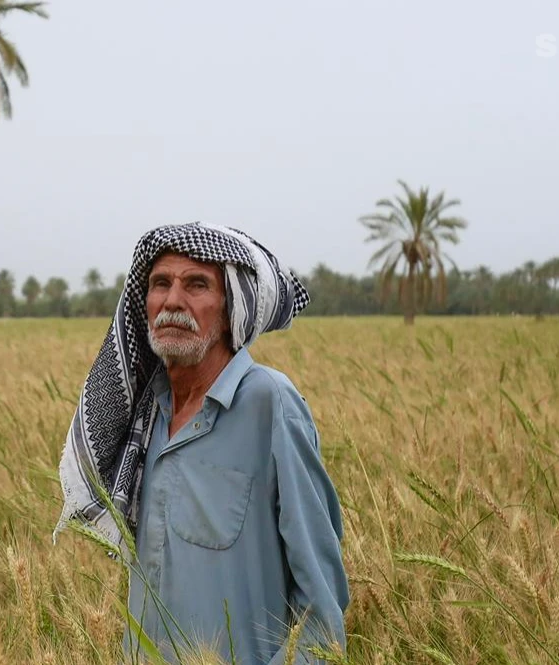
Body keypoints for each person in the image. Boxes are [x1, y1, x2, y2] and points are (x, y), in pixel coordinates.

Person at [55, 222, 349, 665]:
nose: (173, 301)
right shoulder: (142, 417)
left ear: (231, 309)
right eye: (160, 284)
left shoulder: (269, 404)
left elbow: (321, 610)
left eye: (196, 285)